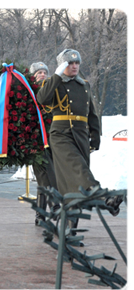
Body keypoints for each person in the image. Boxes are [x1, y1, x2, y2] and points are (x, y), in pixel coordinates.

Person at [36, 49, 118, 239]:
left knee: (71, 185)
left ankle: (68, 232)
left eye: (76, 63)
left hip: (81, 135)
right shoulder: (53, 83)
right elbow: (42, 99)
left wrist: (95, 136)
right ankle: (104, 197)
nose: (74, 66)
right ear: (62, 65)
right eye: (69, 63)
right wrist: (56, 75)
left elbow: (92, 113)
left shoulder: (84, 85)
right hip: (61, 134)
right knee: (78, 169)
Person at [29, 62, 60, 225]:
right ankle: (54, 206)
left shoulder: (52, 92)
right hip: (37, 142)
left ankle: (40, 216)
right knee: (45, 175)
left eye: (44, 72)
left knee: (45, 178)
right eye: (39, 72)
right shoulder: (30, 93)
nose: (42, 75)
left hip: (53, 140)